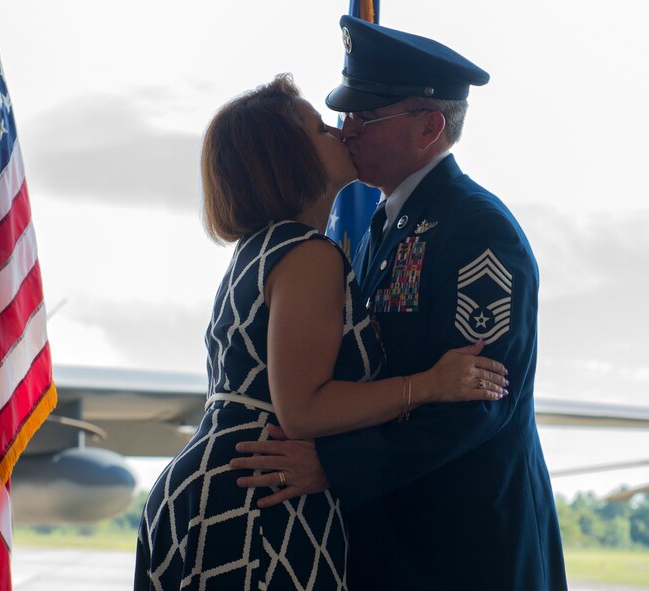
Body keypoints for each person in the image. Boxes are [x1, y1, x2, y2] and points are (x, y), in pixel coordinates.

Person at [229, 17, 568, 590]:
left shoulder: (477, 231)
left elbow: (479, 403)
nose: (346, 130)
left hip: (464, 551)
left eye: (366, 116)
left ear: (429, 127)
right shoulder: (381, 227)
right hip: (400, 545)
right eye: (345, 114)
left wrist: (334, 467)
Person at [133, 74, 509, 590]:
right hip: (257, 504)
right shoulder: (310, 254)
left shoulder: (262, 249)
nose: (341, 131)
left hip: (224, 490)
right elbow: (303, 409)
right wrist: (428, 385)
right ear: (288, 157)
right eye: (320, 129)